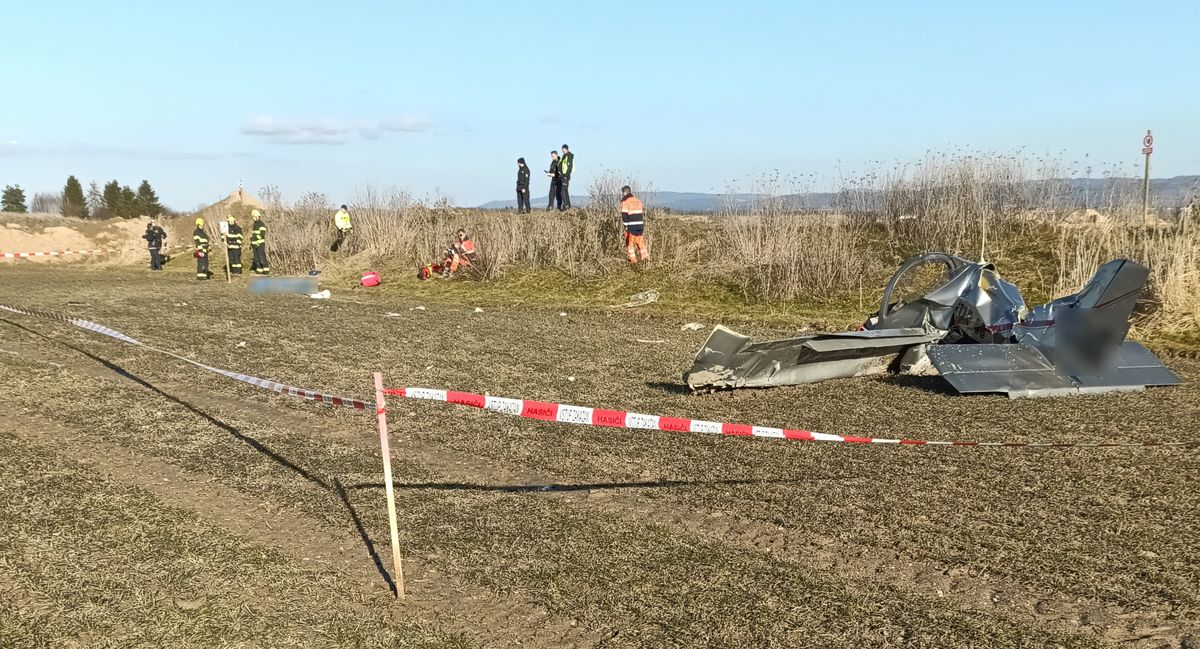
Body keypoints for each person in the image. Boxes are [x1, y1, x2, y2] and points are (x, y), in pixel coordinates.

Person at [620, 185, 649, 265]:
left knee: (629, 244)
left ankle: (632, 261)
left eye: (622, 193)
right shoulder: (638, 201)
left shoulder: (625, 202)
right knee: (640, 242)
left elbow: (624, 216)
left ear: (624, 192)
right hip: (640, 225)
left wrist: (626, 226)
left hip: (631, 226)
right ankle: (645, 258)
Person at [249, 209, 270, 275]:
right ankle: (259, 270)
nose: (253, 218)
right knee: (256, 258)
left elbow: (262, 234)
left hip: (260, 244)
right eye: (253, 217)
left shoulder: (261, 224)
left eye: (254, 217)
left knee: (261, 257)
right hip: (255, 244)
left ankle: (266, 270)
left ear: (258, 217)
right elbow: (254, 234)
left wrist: (254, 238)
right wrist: (251, 242)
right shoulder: (255, 225)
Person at [559, 144, 574, 210]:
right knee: (565, 190)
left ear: (566, 149)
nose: (562, 150)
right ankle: (568, 205)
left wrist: (566, 175)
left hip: (566, 176)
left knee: (563, 191)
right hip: (562, 176)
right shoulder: (563, 156)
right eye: (562, 149)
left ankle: (565, 206)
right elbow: (561, 166)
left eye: (563, 149)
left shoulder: (569, 156)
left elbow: (569, 167)